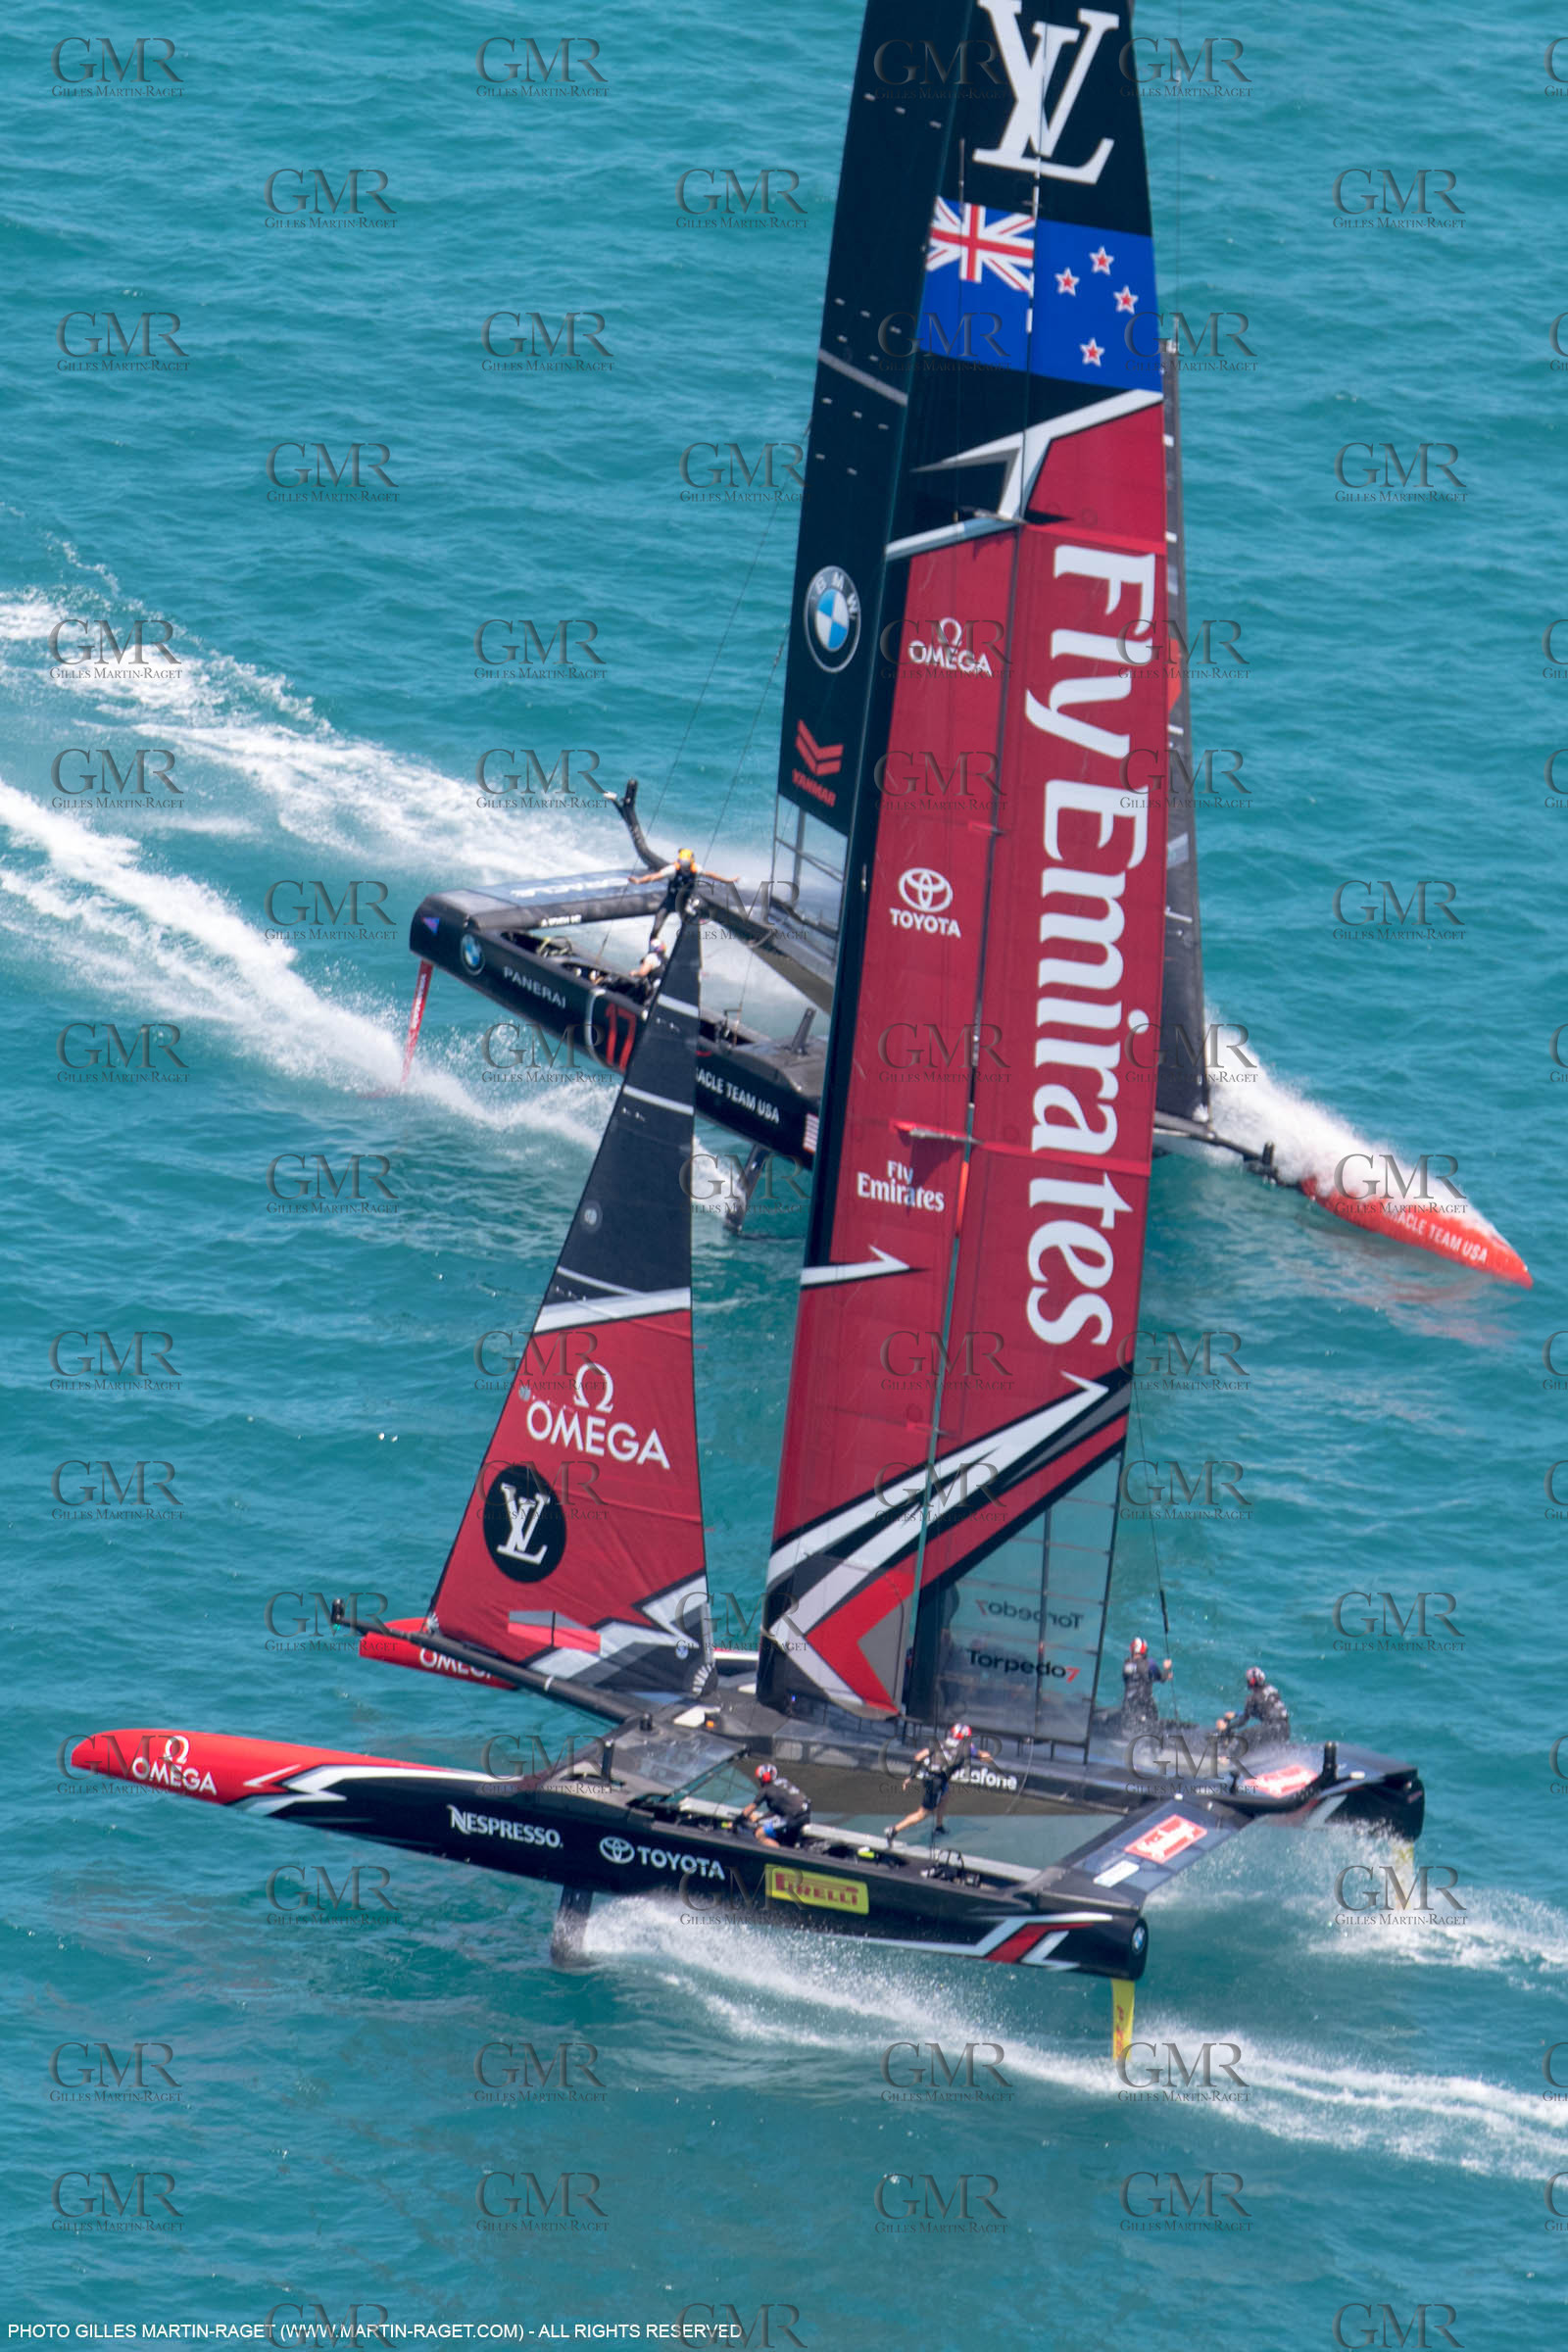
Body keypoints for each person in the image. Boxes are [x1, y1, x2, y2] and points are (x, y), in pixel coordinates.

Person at [886, 1724, 995, 1842]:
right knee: (922, 1814)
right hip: (935, 1783)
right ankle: (893, 1830)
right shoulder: (967, 1748)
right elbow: (985, 1757)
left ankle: (939, 1827)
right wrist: (987, 1756)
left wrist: (911, 1776)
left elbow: (918, 1756)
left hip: (930, 1778)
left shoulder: (940, 1743)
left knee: (945, 1795)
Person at [629, 846, 736, 949]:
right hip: (670, 900)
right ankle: (653, 947)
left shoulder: (696, 869)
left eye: (687, 864)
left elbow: (710, 875)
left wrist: (727, 881)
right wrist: (639, 881)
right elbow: (654, 877)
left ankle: (687, 947)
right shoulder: (672, 870)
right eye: (683, 864)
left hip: (686, 901)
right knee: (658, 923)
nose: (685, 867)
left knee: (689, 923)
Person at [739, 1763, 810, 1847]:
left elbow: (750, 1809)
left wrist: (737, 1821)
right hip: (805, 1813)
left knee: (759, 1834)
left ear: (762, 1778)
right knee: (761, 1821)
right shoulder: (783, 1781)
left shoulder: (765, 1790)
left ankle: (781, 1854)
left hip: (793, 1818)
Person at [1216, 1665, 1291, 1744]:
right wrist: (1236, 1714)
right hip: (1285, 1729)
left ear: (1252, 1681)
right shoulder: (1273, 1690)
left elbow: (1243, 1721)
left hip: (1271, 1729)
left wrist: (1226, 1728)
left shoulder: (1252, 1698)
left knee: (1242, 1737)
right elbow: (1265, 1712)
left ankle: (1226, 1754)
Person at [1119, 1636, 1173, 1732]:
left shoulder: (1126, 1665)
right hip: (1145, 1702)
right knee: (1153, 1714)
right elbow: (1161, 1678)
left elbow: (1136, 1676)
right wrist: (1166, 1668)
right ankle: (1154, 1733)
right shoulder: (1150, 1663)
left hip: (1128, 1703)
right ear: (1144, 1651)